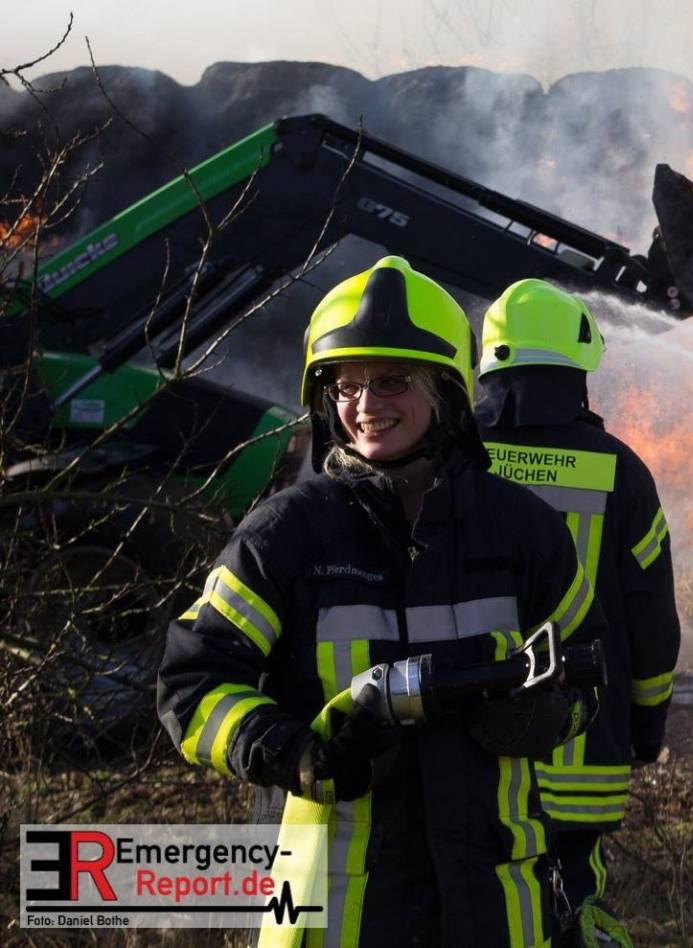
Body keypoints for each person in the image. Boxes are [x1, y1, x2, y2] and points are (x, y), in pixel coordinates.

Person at [157, 256, 605, 947]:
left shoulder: (523, 532)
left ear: (449, 392)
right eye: (345, 384)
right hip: (338, 920)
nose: (365, 405)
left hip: (492, 912)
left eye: (393, 381)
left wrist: (545, 714)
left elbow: (585, 666)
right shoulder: (286, 535)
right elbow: (193, 683)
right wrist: (292, 751)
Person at [476, 279, 681, 943]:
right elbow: (652, 624)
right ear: (580, 366)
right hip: (582, 748)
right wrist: (646, 726)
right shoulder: (620, 472)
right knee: (567, 907)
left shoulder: (450, 462)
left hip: (464, 756)